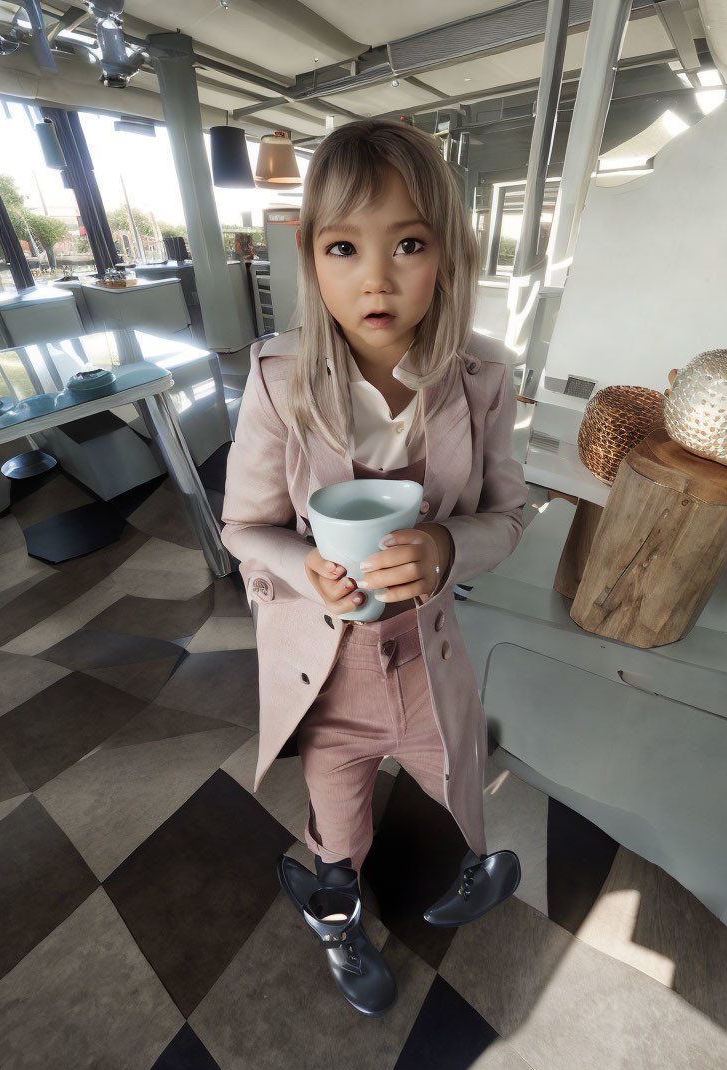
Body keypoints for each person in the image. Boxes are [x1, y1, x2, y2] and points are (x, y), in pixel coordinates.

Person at [221, 119, 528, 1017]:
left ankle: (477, 865)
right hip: (329, 672)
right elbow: (244, 524)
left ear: (447, 256)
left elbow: (508, 515)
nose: (377, 277)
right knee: (338, 817)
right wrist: (304, 565)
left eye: (409, 243)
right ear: (312, 257)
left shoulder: (482, 379)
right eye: (344, 246)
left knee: (459, 774)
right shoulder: (281, 379)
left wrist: (446, 547)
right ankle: (337, 916)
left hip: (429, 653)